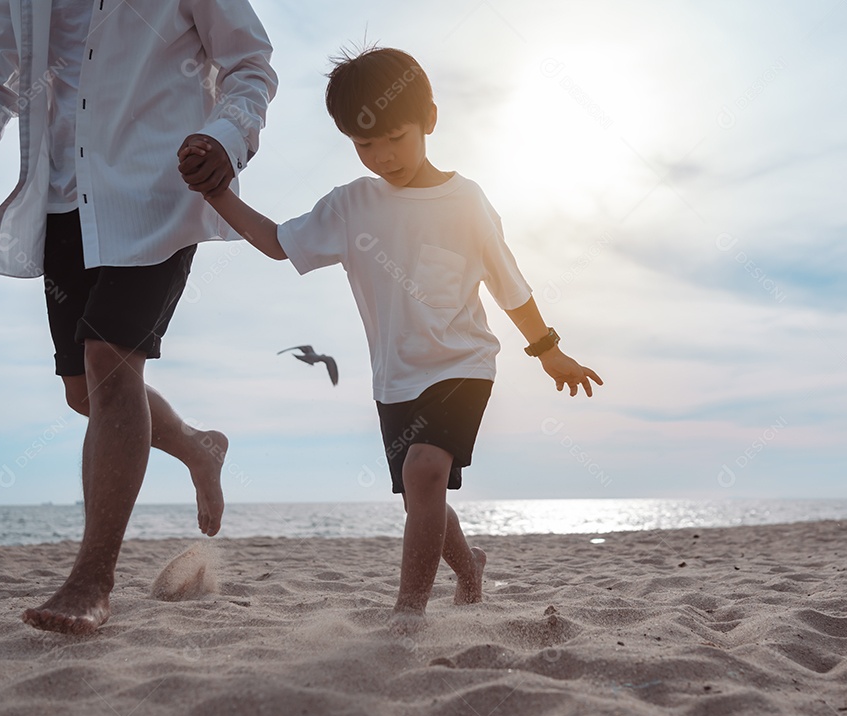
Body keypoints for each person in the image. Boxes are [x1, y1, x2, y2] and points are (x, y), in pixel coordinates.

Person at [179, 47, 602, 630]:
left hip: (463, 365)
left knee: (424, 471)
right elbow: (279, 242)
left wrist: (548, 350)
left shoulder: (467, 201)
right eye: (364, 145)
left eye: (394, 138)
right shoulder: (354, 203)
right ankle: (469, 569)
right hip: (394, 378)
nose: (382, 157)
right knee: (422, 492)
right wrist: (216, 193)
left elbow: (509, 285)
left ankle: (407, 615)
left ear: (429, 119)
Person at [0, 1, 278, 635]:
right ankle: (199, 446)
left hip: (160, 190)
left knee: (108, 358)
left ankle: (92, 579)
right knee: (85, 394)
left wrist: (228, 137)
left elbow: (249, 64)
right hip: (63, 203)